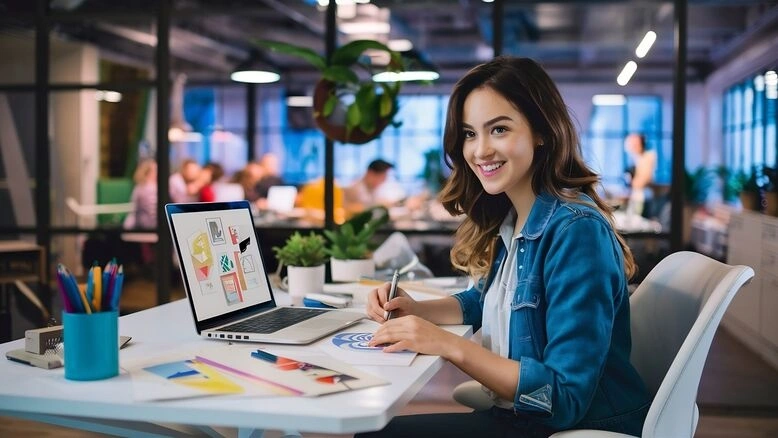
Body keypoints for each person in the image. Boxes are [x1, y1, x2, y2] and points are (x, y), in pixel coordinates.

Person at [360, 57, 649, 437]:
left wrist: (447, 344)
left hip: (572, 424)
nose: (480, 151)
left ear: (541, 132)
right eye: (469, 133)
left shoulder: (576, 231)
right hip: (525, 415)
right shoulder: (516, 219)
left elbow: (562, 397)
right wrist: (416, 310)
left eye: (498, 129)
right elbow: (485, 300)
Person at [623, 133, 657, 217]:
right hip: (639, 197)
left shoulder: (648, 157)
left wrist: (633, 181)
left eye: (633, 144)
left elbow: (641, 182)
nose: (631, 147)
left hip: (644, 198)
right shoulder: (637, 158)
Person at [123, 159, 157, 230]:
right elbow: (153, 215)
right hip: (143, 230)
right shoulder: (149, 188)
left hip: (138, 226)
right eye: (156, 170)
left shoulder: (140, 186)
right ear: (149, 173)